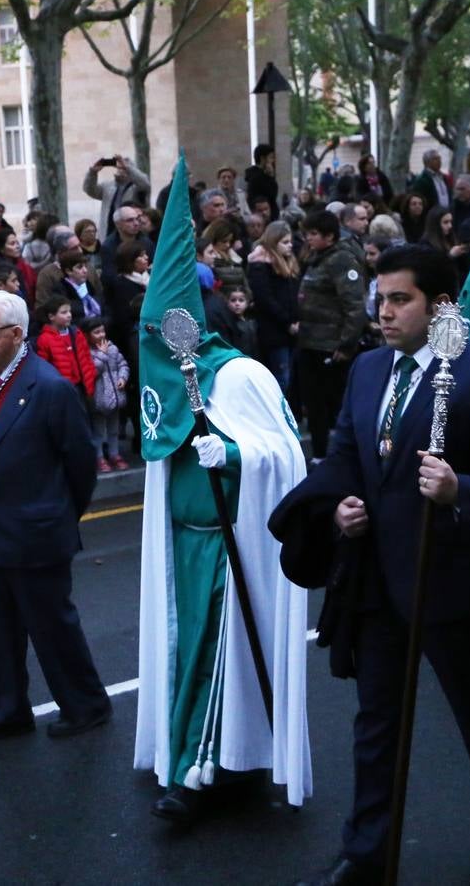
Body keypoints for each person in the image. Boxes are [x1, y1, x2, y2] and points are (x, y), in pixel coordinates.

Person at [280, 242, 470, 886]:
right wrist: (338, 508)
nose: (385, 313)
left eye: (401, 300)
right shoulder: (369, 370)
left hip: (452, 576)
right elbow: (346, 455)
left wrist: (463, 491)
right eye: (380, 299)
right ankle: (367, 849)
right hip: (376, 578)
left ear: (439, 305)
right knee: (376, 721)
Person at [134, 156, 310, 822]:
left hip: (226, 546)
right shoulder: (172, 381)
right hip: (182, 541)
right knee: (187, 653)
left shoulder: (238, 377)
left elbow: (288, 453)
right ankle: (193, 756)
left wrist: (233, 451)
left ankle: (195, 774)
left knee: (213, 657)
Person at [0, 290, 112, 744]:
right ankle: (6, 709)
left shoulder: (47, 388)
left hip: (35, 533)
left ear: (15, 335)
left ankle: (86, 705)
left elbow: (80, 465)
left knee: (52, 627)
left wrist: (57, 515)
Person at [297, 210, 369, 463]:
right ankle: (319, 453)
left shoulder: (341, 260)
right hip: (310, 342)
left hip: (330, 347)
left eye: (314, 234)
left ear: (329, 236)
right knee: (314, 402)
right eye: (307, 234)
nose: (308, 239)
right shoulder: (317, 258)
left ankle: (344, 454)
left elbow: (353, 305)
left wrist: (346, 344)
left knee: (336, 403)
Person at [247, 221, 300, 391]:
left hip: (289, 329)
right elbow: (265, 299)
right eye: (285, 242)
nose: (290, 246)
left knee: (288, 375)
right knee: (281, 377)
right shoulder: (260, 265)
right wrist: (287, 322)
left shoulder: (288, 262)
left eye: (290, 241)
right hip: (274, 330)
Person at [81, 315, 129, 472]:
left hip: (115, 397)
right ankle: (99, 457)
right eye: (96, 332)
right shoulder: (87, 353)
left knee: (113, 429)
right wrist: (102, 355)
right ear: (88, 335)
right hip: (98, 399)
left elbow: (123, 364)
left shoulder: (112, 348)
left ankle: (115, 454)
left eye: (102, 331)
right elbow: (92, 371)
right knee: (99, 431)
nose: (101, 335)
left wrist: (122, 377)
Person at [34, 296, 96, 400]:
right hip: (63, 391)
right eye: (64, 312)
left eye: (69, 311)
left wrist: (91, 375)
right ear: (51, 316)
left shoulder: (76, 333)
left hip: (83, 387)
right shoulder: (45, 339)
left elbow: (86, 356)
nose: (69, 315)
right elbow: (44, 368)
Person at [83, 154, 151, 237]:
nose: (120, 170)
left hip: (131, 232)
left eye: (123, 168)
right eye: (118, 168)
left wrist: (127, 167)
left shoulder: (137, 187)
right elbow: (89, 190)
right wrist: (92, 172)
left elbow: (145, 184)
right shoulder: (107, 186)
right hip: (109, 232)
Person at [0, 227, 37, 308]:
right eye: (12, 244)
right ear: (1, 249)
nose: (17, 246)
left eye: (17, 243)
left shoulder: (25, 266)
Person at [223, 284, 258, 359]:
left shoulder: (252, 320)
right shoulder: (227, 323)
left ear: (247, 302)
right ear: (227, 303)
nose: (237, 303)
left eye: (241, 300)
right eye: (233, 300)